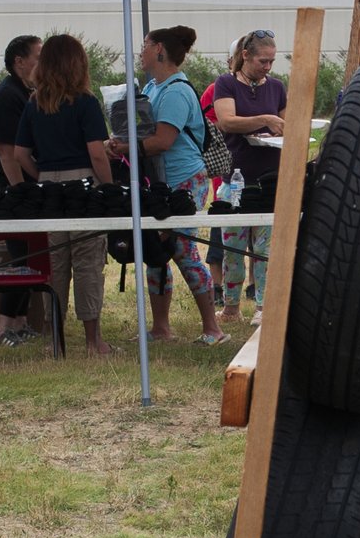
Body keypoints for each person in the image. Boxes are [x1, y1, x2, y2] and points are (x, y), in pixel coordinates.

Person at [117, 24, 227, 345]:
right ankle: (161, 328)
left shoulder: (177, 91)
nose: (141, 51)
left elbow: (163, 141)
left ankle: (213, 328)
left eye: (146, 45)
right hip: (160, 183)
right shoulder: (153, 86)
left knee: (183, 251)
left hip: (184, 183)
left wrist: (124, 147)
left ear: (160, 51)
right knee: (156, 252)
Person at [11, 33, 115, 357]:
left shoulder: (34, 103)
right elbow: (97, 153)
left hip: (49, 189)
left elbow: (19, 153)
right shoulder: (85, 103)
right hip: (83, 185)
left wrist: (42, 175)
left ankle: (56, 341)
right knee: (87, 262)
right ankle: (92, 341)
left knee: (55, 264)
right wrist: (109, 189)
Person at [212, 29, 287, 317]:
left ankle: (263, 306)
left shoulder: (277, 87)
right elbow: (227, 121)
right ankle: (231, 305)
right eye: (262, 61)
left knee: (265, 250)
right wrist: (265, 120)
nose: (267, 67)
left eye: (271, 61)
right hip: (237, 180)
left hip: (270, 180)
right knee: (233, 246)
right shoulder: (226, 84)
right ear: (245, 56)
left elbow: (287, 121)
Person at [0, 34, 42, 345]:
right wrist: (20, 191)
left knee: (30, 257)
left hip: (20, 189)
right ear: (20, 62)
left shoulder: (23, 93)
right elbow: (5, 150)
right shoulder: (7, 96)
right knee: (19, 260)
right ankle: (4, 328)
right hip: (8, 190)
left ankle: (20, 322)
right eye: (38, 57)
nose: (42, 64)